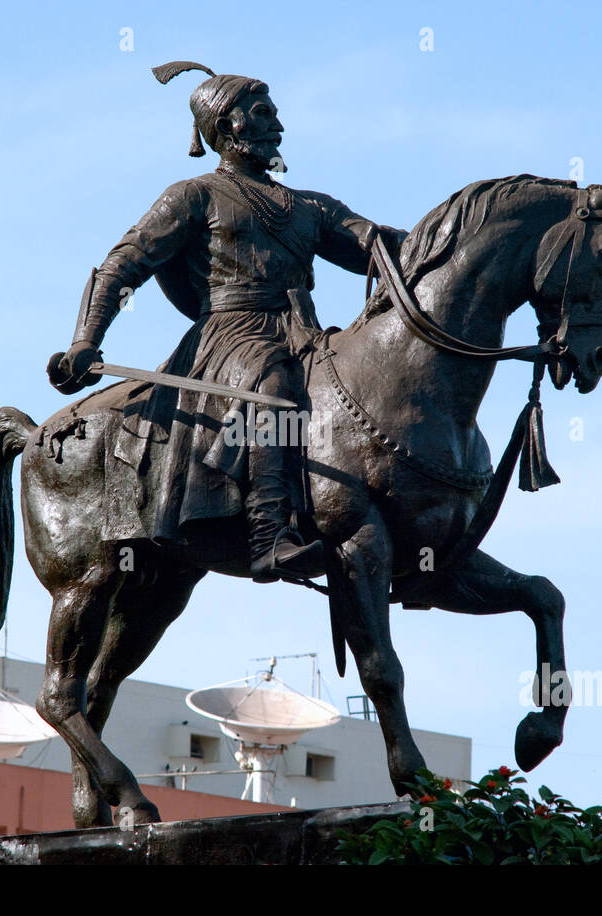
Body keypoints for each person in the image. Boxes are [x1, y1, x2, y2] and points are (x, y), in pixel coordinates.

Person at [48, 61, 406, 582]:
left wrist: (442, 238)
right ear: (224, 128)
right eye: (261, 114)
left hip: (301, 329)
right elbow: (126, 264)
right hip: (230, 334)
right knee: (273, 380)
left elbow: (376, 244)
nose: (276, 126)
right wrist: (86, 339)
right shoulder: (193, 195)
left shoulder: (308, 207)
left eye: (276, 114)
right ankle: (268, 536)